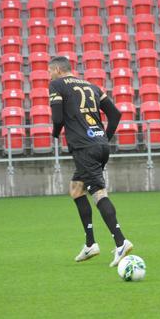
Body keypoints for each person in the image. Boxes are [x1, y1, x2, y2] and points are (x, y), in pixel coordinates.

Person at [48, 55, 134, 266]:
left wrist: (55, 133)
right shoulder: (91, 86)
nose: (49, 75)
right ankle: (90, 244)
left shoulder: (57, 84)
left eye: (50, 71)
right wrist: (104, 138)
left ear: (58, 70)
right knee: (77, 189)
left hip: (84, 148)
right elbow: (115, 115)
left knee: (98, 192)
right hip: (99, 145)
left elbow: (58, 118)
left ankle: (121, 241)